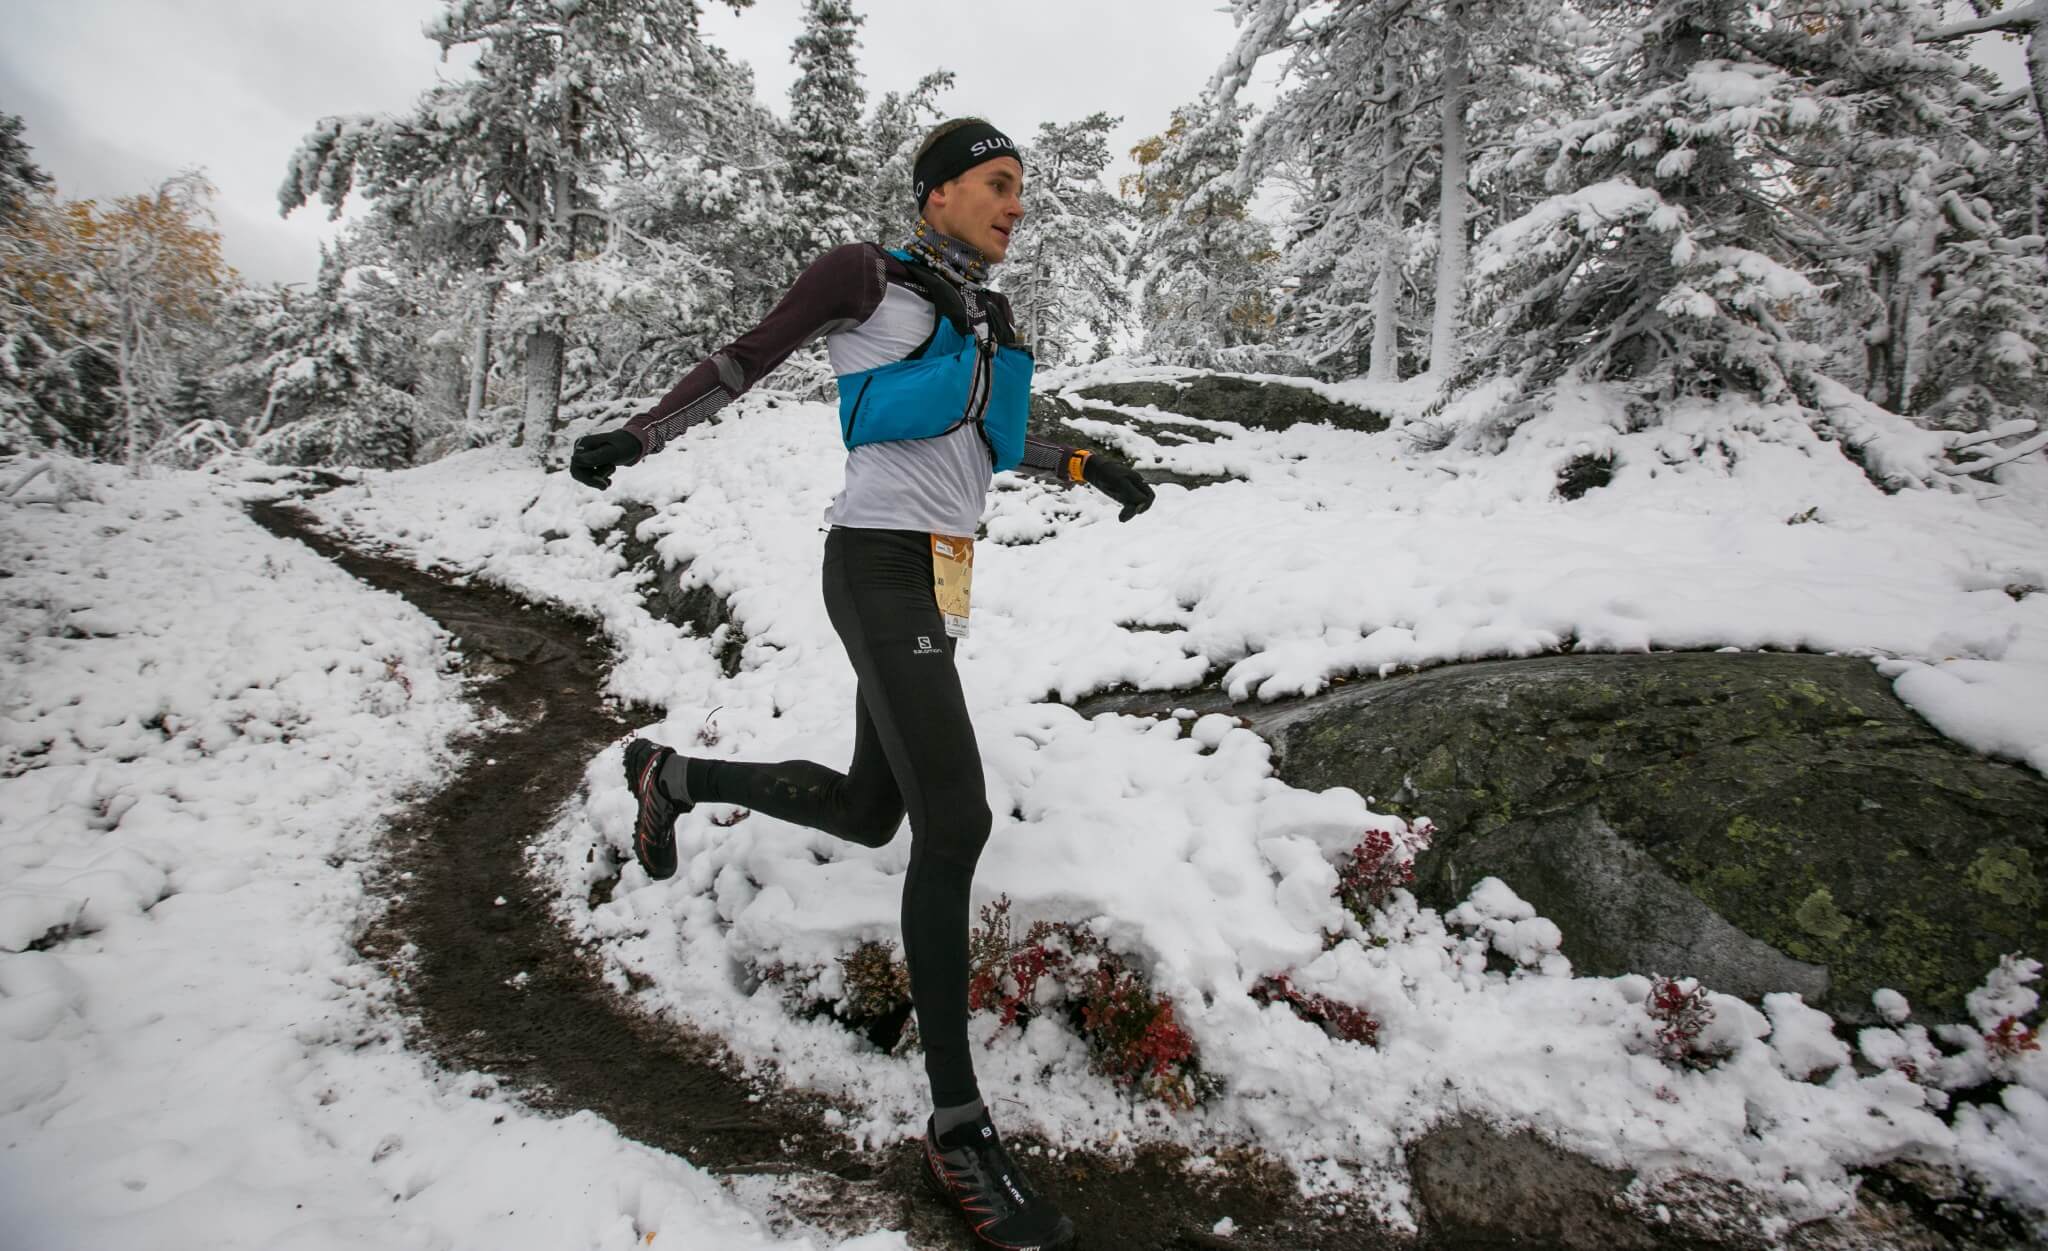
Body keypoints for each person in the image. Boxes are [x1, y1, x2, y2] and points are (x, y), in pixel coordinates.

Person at [568, 117, 1153, 1250]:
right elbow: (747, 356)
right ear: (935, 193)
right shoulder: (863, 278)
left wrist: (1084, 464)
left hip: (936, 581)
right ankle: (956, 1124)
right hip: (875, 564)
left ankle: (671, 777)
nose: (1015, 206)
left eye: (1023, 190)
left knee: (868, 805)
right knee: (956, 818)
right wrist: (641, 437)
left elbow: (992, 436)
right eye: (995, 184)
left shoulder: (989, 316)